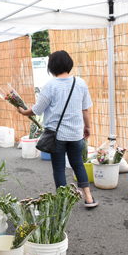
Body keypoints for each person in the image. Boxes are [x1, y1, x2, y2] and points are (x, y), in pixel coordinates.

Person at [17, 50, 98, 208]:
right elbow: (85, 110)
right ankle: (88, 198)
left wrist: (23, 111)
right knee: (78, 164)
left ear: (51, 66)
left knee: (59, 168)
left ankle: (63, 202)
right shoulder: (80, 83)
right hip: (76, 134)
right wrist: (87, 127)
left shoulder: (50, 86)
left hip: (57, 136)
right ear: (69, 64)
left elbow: (37, 110)